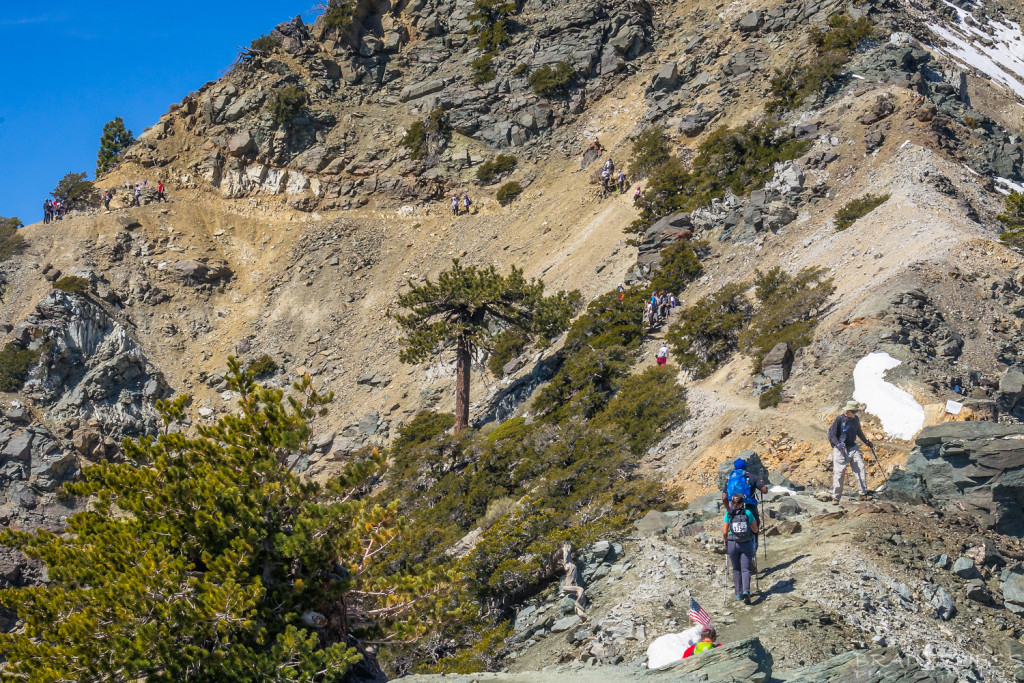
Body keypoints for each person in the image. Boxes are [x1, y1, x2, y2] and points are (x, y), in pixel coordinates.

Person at [828, 400, 874, 503]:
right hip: (841, 450)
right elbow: (833, 435)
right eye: (853, 412)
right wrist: (838, 444)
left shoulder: (855, 419)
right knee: (839, 473)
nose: (855, 414)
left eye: (856, 412)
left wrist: (866, 442)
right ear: (848, 411)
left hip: (853, 447)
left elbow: (859, 432)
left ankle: (863, 494)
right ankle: (835, 497)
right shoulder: (839, 420)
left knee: (860, 468)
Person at [723, 493, 758, 604]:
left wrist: (726, 540)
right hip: (746, 543)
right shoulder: (747, 513)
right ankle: (746, 591)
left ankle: (738, 594)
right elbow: (755, 529)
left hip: (733, 543)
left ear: (731, 503)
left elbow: (724, 531)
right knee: (746, 569)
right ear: (742, 503)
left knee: (736, 569)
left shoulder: (728, 514)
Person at [721, 458, 768, 527]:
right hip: (750, 507)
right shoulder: (752, 477)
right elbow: (764, 491)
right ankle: (754, 537)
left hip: (734, 507)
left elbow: (724, 497)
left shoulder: (730, 479)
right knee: (755, 528)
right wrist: (762, 484)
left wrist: (728, 509)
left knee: (735, 527)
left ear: (734, 468)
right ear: (745, 467)